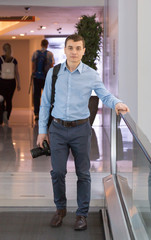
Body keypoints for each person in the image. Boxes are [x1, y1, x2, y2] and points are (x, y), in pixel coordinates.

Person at [36, 34, 130, 231]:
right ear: (65, 49)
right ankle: (60, 209)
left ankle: (81, 214)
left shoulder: (91, 74)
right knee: (58, 172)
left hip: (81, 129)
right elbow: (44, 104)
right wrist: (42, 131)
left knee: (83, 173)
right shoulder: (54, 73)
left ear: (84, 51)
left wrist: (117, 103)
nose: (74, 52)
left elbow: (104, 94)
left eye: (78, 48)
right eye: (71, 48)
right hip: (58, 129)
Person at [0, 43, 21, 125]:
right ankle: (7, 118)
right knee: (9, 101)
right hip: (11, 82)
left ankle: (2, 115)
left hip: (2, 82)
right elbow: (17, 73)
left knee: (1, 100)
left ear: (3, 50)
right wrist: (19, 84)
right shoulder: (14, 60)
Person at [31, 39, 54, 121]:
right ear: (47, 45)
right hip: (46, 78)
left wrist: (34, 74)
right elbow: (51, 66)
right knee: (46, 96)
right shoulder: (50, 54)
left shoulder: (35, 53)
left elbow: (33, 67)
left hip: (36, 77)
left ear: (41, 44)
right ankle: (46, 113)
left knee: (36, 96)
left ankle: (36, 114)